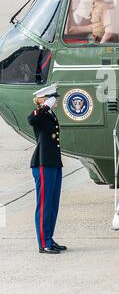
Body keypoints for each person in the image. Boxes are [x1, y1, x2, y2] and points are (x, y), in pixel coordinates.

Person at [28, 84, 66, 254]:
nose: (55, 100)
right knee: (44, 204)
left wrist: (47, 108)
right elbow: (31, 120)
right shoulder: (41, 114)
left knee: (52, 204)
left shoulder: (49, 114)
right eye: (52, 97)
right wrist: (44, 106)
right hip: (43, 163)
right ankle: (44, 243)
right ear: (45, 99)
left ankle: (49, 238)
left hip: (53, 162)